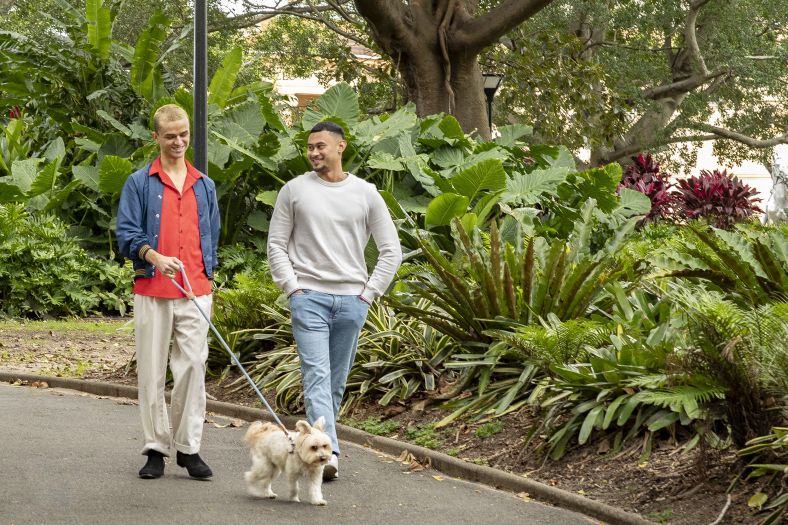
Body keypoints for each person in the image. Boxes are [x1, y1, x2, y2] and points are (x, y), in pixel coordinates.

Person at [267, 121, 402, 480]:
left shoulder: (366, 192)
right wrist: (292, 289)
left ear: (341, 146)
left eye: (320, 146)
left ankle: (317, 445)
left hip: (352, 302)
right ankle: (332, 455)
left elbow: (391, 250)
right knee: (316, 376)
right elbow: (276, 245)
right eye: (310, 147)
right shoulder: (293, 191)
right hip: (308, 297)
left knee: (335, 383)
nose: (313, 152)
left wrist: (368, 295)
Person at [116, 104, 220, 480]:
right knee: (151, 373)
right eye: (171, 135)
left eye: (184, 134)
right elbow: (126, 235)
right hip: (152, 288)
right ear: (156, 137)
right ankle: (156, 449)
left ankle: (189, 448)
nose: (179, 142)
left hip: (196, 290)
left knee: (192, 367)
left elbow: (213, 234)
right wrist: (154, 256)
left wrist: (207, 273)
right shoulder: (139, 183)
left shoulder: (204, 185)